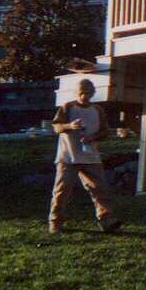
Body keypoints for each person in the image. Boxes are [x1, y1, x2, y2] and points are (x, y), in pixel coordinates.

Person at [48, 79, 122, 234]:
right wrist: (69, 126)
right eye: (81, 93)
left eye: (88, 93)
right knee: (62, 191)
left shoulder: (98, 110)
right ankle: (55, 223)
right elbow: (56, 127)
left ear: (93, 93)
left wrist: (93, 137)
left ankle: (106, 220)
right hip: (68, 157)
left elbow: (105, 132)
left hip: (91, 157)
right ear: (76, 93)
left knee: (100, 190)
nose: (84, 96)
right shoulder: (67, 107)